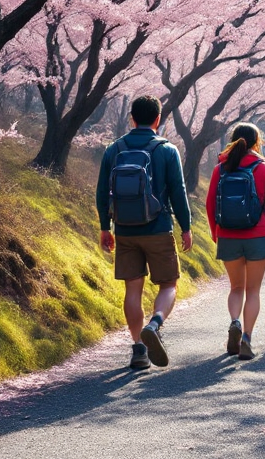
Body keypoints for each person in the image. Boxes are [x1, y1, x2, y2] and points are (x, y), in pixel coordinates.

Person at [96, 95, 192, 370]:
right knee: (169, 284)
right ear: (158, 119)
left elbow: (102, 192)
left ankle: (138, 348)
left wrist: (106, 227)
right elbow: (178, 192)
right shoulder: (167, 150)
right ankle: (155, 323)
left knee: (132, 289)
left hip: (125, 230)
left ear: (132, 118)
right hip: (159, 228)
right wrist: (186, 227)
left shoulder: (114, 149)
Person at [205, 122, 265, 361]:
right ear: (257, 142)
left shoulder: (221, 168)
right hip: (257, 235)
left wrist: (215, 232)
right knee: (253, 290)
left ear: (233, 140)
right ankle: (247, 338)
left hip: (228, 235)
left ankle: (234, 322)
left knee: (236, 287)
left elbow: (210, 203)